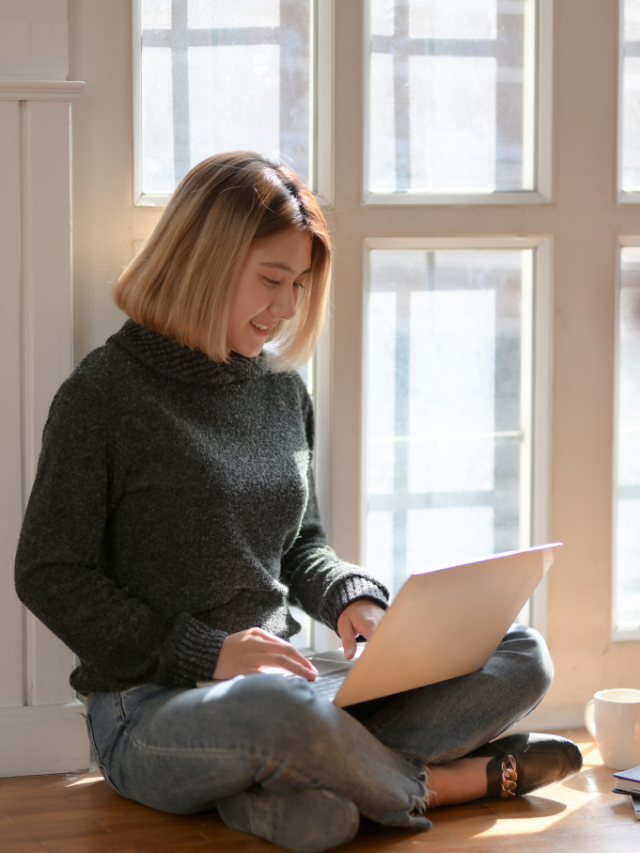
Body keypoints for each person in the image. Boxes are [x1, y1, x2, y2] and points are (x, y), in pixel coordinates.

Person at [14, 152, 581, 853]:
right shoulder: (103, 395)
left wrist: (352, 600)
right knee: (274, 712)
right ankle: (441, 783)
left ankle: (294, 792)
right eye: (272, 279)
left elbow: (299, 543)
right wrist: (208, 652)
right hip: (150, 709)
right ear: (204, 260)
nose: (286, 308)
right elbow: (47, 571)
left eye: (300, 283)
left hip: (290, 683)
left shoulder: (281, 393)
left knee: (521, 651)